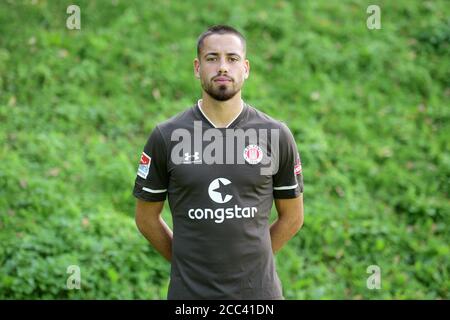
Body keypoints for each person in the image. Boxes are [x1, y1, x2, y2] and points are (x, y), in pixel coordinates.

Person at [133, 25, 304, 300]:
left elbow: (293, 217)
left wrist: (251, 265)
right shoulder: (167, 136)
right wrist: (185, 264)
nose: (222, 67)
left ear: (245, 68)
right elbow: (146, 218)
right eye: (212, 58)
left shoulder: (274, 135)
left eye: (232, 59)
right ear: (197, 67)